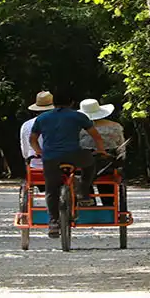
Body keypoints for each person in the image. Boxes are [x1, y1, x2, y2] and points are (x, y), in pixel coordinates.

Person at [29, 91, 104, 236]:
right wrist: (101, 150)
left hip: (51, 158)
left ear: (54, 103)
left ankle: (53, 222)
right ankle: (83, 190)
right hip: (74, 155)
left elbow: (32, 139)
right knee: (90, 163)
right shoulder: (78, 116)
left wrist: (39, 151)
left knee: (51, 189)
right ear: (71, 103)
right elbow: (96, 136)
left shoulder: (42, 118)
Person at [78, 98, 127, 176]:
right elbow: (121, 145)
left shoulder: (80, 128)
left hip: (85, 160)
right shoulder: (115, 126)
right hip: (109, 160)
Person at [18, 91, 55, 172]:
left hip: (34, 167)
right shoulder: (59, 123)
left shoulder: (26, 125)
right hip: (57, 167)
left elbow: (25, 152)